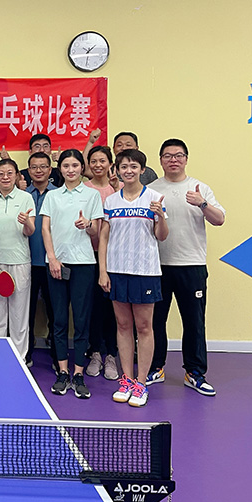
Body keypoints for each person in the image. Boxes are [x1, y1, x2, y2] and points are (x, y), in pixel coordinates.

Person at [149, 138, 225, 396]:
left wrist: (202, 203)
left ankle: (194, 372)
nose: (173, 160)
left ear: (186, 159)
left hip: (191, 265)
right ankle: (155, 367)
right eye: (168, 155)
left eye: (178, 155)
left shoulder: (200, 188)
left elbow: (219, 220)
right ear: (161, 160)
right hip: (157, 266)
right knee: (155, 321)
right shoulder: (151, 190)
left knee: (194, 322)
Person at [98, 149, 168, 407]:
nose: (128, 171)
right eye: (124, 166)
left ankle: (141, 383)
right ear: (117, 170)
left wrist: (160, 216)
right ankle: (126, 380)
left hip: (145, 271)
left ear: (142, 170)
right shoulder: (111, 201)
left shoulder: (154, 198)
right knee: (123, 325)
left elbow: (161, 236)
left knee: (144, 327)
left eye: (133, 166)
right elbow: (104, 237)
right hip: (117, 270)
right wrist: (103, 271)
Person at [40, 149, 103, 399]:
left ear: (81, 168)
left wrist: (88, 225)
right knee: (59, 320)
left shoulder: (92, 195)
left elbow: (96, 230)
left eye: (75, 165)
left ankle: (78, 373)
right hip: (57, 264)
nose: (70, 170)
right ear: (60, 169)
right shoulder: (52, 196)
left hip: (84, 264)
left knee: (81, 319)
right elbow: (45, 229)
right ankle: (63, 371)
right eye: (66, 166)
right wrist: (52, 258)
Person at [0, 159, 35, 358]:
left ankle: (19, 358)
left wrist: (26, 222)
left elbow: (30, 231)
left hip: (20, 261)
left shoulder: (26, 198)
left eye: (10, 173)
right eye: (1, 173)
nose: (5, 177)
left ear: (17, 175)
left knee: (19, 315)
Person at [83, 146, 120, 381]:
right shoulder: (83, 189)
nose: (98, 165)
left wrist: (117, 189)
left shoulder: (119, 189)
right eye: (94, 161)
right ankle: (95, 352)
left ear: (110, 164)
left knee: (113, 309)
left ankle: (111, 355)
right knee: (94, 307)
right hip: (89, 256)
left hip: (116, 257)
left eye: (102, 161)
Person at [25, 152, 57, 368]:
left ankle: (57, 356)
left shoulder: (59, 194)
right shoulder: (22, 195)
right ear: (29, 171)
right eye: (34, 167)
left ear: (50, 170)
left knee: (55, 313)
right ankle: (26, 352)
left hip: (52, 262)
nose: (38, 171)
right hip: (26, 263)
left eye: (43, 166)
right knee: (25, 313)